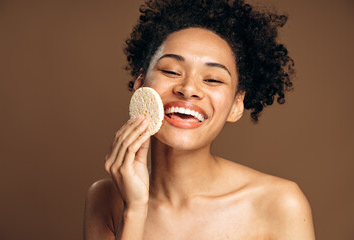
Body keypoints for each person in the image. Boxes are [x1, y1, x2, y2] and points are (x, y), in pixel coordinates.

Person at [84, 0, 315, 239]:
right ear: (141, 85)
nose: (188, 89)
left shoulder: (281, 204)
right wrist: (134, 210)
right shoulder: (104, 199)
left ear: (237, 105)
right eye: (171, 71)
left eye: (213, 79)